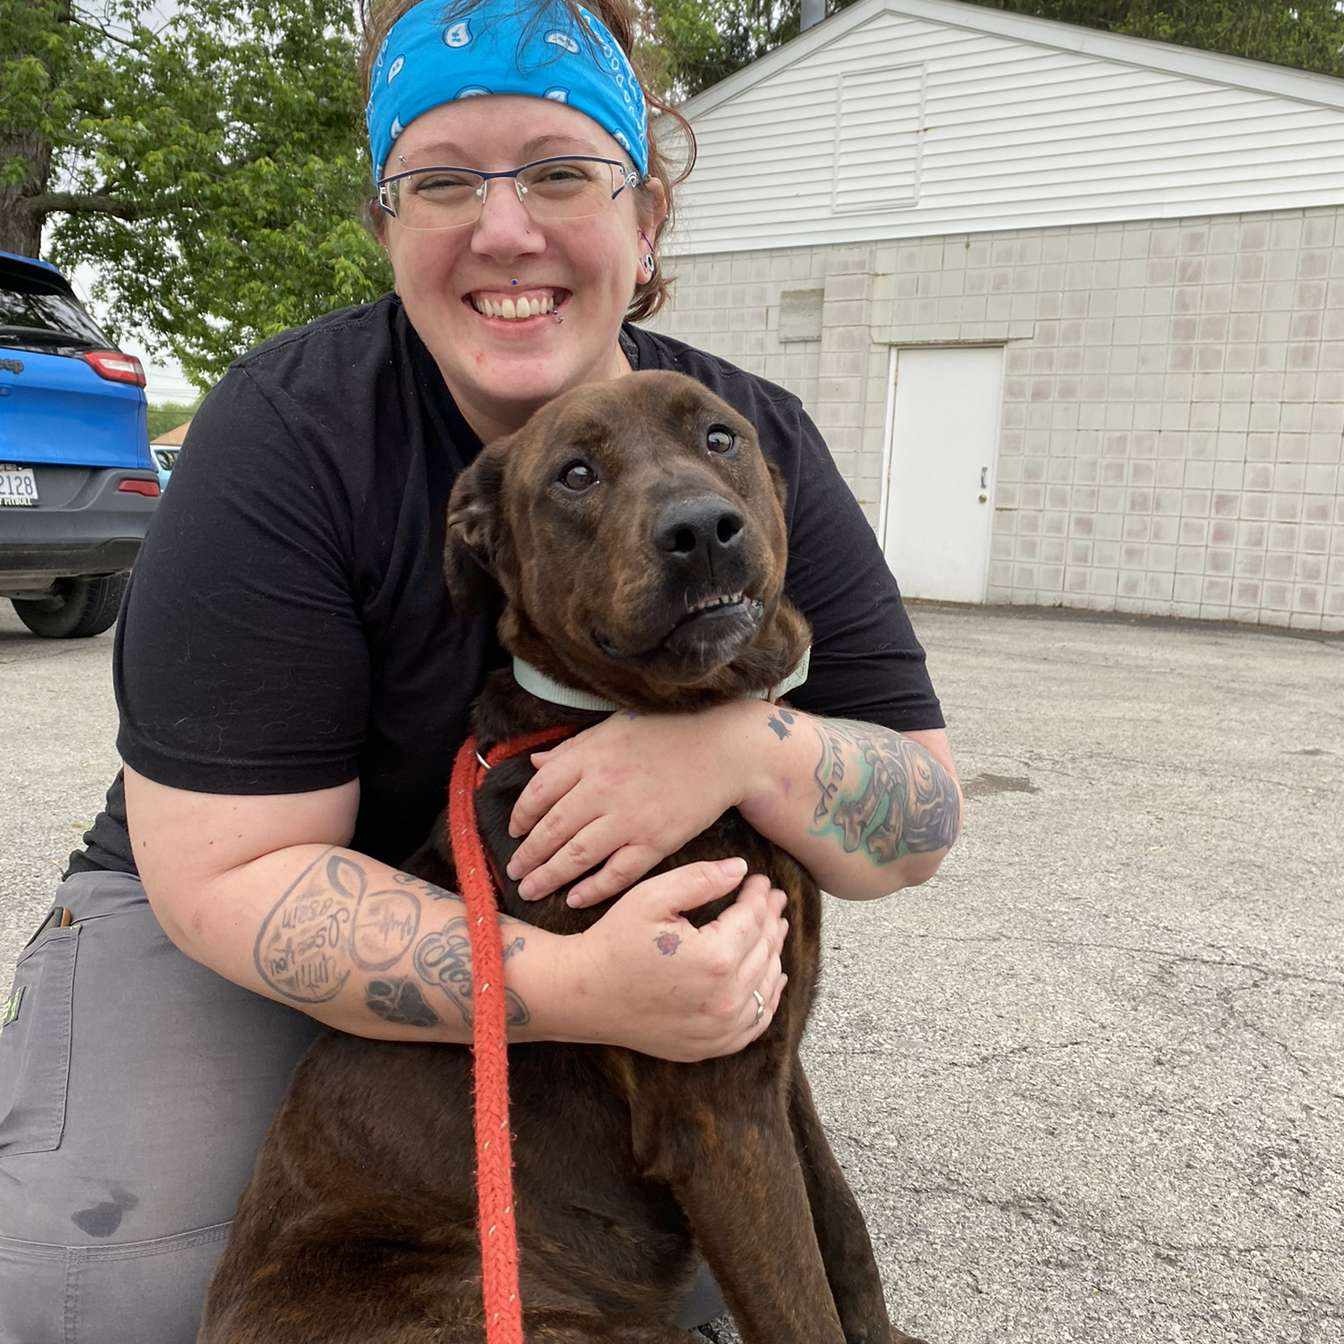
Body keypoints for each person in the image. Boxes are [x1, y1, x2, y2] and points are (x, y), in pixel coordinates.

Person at [0, 1, 962, 1340]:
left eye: (562, 173)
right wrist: (572, 988)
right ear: (388, 227)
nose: (506, 231)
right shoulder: (288, 435)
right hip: (247, 896)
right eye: (444, 181)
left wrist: (745, 747)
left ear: (645, 215)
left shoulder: (751, 433)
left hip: (540, 911)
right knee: (102, 1289)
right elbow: (228, 871)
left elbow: (914, 820)